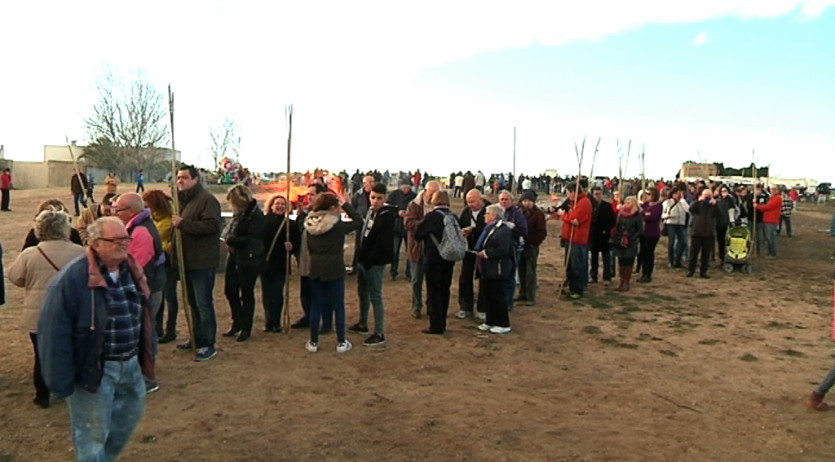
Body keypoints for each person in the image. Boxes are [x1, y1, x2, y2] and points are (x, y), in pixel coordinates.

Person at [38, 217, 155, 462]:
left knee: (126, 422)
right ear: (96, 243)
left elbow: (143, 314)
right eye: (116, 240)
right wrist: (60, 382)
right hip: (96, 370)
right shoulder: (73, 278)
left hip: (131, 365)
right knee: (91, 436)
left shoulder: (131, 270)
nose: (124, 244)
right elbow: (54, 333)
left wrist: (148, 353)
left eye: (126, 238)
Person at [8, 208, 85, 408]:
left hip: (38, 314)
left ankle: (42, 395)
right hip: (72, 312)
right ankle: (71, 390)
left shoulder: (29, 254)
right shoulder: (80, 252)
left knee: (41, 354)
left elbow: (16, 278)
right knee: (72, 350)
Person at [113, 193, 166, 393]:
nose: (115, 213)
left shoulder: (141, 232)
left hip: (148, 289)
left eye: (118, 210)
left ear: (131, 211)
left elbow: (136, 266)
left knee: (146, 333)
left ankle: (147, 377)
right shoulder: (135, 228)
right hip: (146, 287)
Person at [172, 164, 222, 361]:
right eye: (178, 178)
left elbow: (212, 226)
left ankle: (208, 343)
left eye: (184, 177)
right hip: (187, 261)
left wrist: (183, 224)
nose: (180, 181)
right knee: (192, 303)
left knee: (203, 303)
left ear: (195, 179)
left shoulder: (206, 200)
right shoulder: (183, 201)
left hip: (202, 261)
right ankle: (197, 337)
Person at [302, 192, 362, 353]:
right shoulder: (336, 226)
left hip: (315, 266)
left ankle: (313, 341)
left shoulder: (309, 223)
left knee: (316, 305)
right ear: (332, 208)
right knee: (338, 306)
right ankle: (341, 341)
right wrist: (346, 205)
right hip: (334, 267)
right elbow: (358, 221)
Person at [349, 183, 396, 346]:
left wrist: (369, 260)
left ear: (385, 198)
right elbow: (364, 234)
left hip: (375, 262)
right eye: (373, 197)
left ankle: (379, 332)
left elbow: (381, 244)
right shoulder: (371, 212)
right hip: (364, 260)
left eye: (379, 198)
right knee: (363, 292)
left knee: (375, 295)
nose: (375, 201)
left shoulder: (387, 216)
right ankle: (363, 322)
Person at [221, 185, 265, 342]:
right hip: (235, 256)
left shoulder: (256, 216)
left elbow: (253, 239)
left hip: (250, 258)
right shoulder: (239, 215)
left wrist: (231, 240)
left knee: (246, 292)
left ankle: (246, 327)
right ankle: (237, 322)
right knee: (230, 290)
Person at [414, 190, 457, 335]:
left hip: (433, 257)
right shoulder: (453, 216)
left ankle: (435, 325)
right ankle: (443, 322)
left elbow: (417, 235)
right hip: (449, 257)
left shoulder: (431, 217)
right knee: (445, 289)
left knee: (434, 292)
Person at [143, 190, 178, 343]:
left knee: (170, 296)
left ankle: (171, 330)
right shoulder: (152, 219)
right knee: (158, 297)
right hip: (156, 263)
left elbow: (173, 242)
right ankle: (157, 329)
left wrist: (166, 248)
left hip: (168, 263)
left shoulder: (170, 221)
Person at [474, 203, 515, 334]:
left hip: (498, 268)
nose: (485, 216)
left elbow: (503, 249)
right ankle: (490, 320)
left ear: (494, 215)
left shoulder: (503, 230)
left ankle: (503, 323)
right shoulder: (490, 228)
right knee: (489, 294)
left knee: (498, 296)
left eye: (487, 213)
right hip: (488, 268)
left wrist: (486, 253)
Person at [261, 194, 299, 332]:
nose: (280, 206)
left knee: (277, 293)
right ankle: (268, 321)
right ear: (271, 206)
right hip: (265, 263)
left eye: (283, 204)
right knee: (267, 294)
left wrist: (291, 246)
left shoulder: (290, 225)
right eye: (277, 204)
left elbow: (297, 243)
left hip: (281, 263)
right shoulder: (263, 222)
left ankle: (276, 322)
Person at [404, 180, 440, 319]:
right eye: (431, 193)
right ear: (425, 191)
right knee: (416, 280)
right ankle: (416, 306)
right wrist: (426, 224)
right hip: (417, 248)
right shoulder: (414, 205)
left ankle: (431, 306)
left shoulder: (439, 205)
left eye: (436, 193)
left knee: (433, 280)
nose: (433, 196)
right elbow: (408, 223)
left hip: (434, 249)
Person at [456, 189, 490, 319]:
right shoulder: (466, 212)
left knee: (484, 278)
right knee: (465, 277)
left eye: (473, 202)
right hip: (469, 249)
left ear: (481, 200)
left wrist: (474, 230)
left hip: (484, 249)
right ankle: (465, 307)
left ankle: (483, 308)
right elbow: (460, 225)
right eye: (468, 202)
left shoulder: (489, 210)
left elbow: (491, 227)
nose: (470, 204)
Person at [556, 184, 591, 299]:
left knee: (577, 265)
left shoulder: (584, 202)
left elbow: (575, 220)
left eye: (568, 193)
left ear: (573, 192)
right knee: (570, 265)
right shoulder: (575, 202)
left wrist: (564, 215)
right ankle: (571, 287)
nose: (567, 196)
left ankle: (577, 289)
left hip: (577, 238)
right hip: (570, 238)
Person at [498, 190, 528, 307]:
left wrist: (511, 228)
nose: (504, 202)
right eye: (502, 199)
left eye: (506, 199)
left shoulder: (517, 213)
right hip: (501, 247)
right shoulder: (498, 211)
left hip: (514, 247)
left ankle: (508, 302)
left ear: (512, 201)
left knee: (510, 274)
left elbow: (524, 230)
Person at [517, 190, 547, 305]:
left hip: (532, 246)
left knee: (531, 271)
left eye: (529, 201)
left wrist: (534, 243)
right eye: (525, 201)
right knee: (521, 270)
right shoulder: (518, 212)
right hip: (520, 246)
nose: (527, 203)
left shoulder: (538, 214)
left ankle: (530, 296)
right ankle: (522, 293)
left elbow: (542, 232)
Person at [688, 188, 721, 278]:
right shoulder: (698, 204)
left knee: (706, 255)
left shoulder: (713, 206)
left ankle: (704, 272)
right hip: (697, 232)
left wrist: (715, 205)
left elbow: (718, 214)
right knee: (693, 254)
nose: (707, 197)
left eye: (709, 196)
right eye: (706, 195)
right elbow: (691, 209)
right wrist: (699, 201)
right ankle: (691, 270)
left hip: (708, 234)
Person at [612, 196, 643, 292]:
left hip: (631, 242)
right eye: (626, 202)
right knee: (621, 261)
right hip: (621, 240)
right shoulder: (621, 214)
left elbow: (640, 230)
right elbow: (617, 226)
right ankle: (621, 281)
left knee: (628, 262)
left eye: (629, 202)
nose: (627, 204)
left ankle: (626, 282)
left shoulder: (637, 215)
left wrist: (631, 237)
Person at [386, 180, 416, 281]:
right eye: (404, 188)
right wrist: (397, 212)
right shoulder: (393, 195)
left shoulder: (414, 196)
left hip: (409, 228)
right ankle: (393, 272)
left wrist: (408, 214)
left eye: (407, 188)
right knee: (394, 251)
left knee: (410, 252)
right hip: (396, 227)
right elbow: (388, 208)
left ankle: (409, 273)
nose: (405, 190)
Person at [589, 186, 616, 284]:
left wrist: (607, 230)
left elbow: (613, 220)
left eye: (599, 194)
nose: (598, 196)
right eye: (596, 194)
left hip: (604, 235)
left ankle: (607, 277)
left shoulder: (607, 206)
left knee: (606, 257)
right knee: (594, 257)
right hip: (593, 235)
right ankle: (593, 276)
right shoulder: (590, 205)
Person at [349, 175, 375, 274]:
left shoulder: (375, 194)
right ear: (364, 184)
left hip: (373, 223)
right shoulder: (358, 195)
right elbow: (353, 208)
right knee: (358, 246)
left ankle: (369, 266)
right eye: (370, 182)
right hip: (361, 224)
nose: (372, 184)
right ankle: (355, 267)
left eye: (373, 181)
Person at [638, 187, 663, 283]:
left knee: (649, 254)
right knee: (643, 253)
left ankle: (648, 274)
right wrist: (645, 213)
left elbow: (652, 217)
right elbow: (641, 213)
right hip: (644, 232)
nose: (647, 196)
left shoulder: (658, 206)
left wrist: (645, 214)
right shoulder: (646, 204)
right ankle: (643, 273)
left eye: (649, 194)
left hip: (652, 233)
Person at [662, 187, 689, 268]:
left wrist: (683, 200)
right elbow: (662, 214)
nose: (678, 195)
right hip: (671, 223)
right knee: (672, 242)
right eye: (676, 193)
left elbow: (688, 210)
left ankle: (678, 259)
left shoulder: (682, 202)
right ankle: (671, 261)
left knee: (683, 242)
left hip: (681, 223)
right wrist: (668, 216)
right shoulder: (667, 202)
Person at [755, 185, 783, 259]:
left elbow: (768, 207)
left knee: (771, 237)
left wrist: (757, 206)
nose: (772, 191)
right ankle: (771, 252)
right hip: (768, 220)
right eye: (772, 189)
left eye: (774, 189)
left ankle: (772, 253)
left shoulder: (777, 198)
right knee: (769, 237)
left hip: (771, 220)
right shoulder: (773, 198)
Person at [715, 184, 738, 263]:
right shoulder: (717, 200)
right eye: (722, 191)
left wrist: (732, 222)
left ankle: (729, 256)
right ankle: (721, 257)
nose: (723, 193)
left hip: (727, 223)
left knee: (728, 241)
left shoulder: (731, 200)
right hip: (719, 223)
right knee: (720, 241)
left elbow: (732, 211)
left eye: (725, 191)